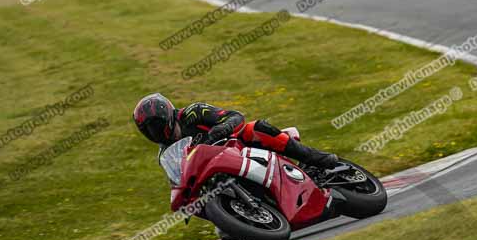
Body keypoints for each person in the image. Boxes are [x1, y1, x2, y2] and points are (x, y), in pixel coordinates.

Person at [132, 93, 339, 169]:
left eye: (156, 125)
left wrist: (221, 128)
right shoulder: (165, 154)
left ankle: (316, 159)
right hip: (217, 170)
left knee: (256, 128)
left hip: (239, 148)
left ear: (167, 116)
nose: (155, 132)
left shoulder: (194, 112)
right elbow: (179, 177)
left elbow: (236, 116)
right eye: (148, 129)